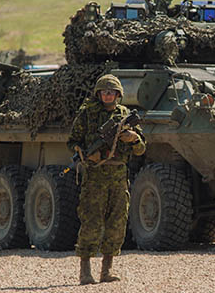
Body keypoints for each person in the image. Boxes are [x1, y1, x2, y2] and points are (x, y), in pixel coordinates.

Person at [67, 74, 146, 284]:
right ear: (98, 94)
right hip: (95, 177)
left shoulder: (124, 115)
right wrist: (84, 154)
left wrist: (134, 138)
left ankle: (106, 270)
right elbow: (73, 141)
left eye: (111, 92)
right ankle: (85, 271)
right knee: (91, 222)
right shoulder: (87, 115)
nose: (108, 95)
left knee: (117, 223)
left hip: (119, 176)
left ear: (118, 94)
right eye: (104, 92)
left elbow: (140, 149)